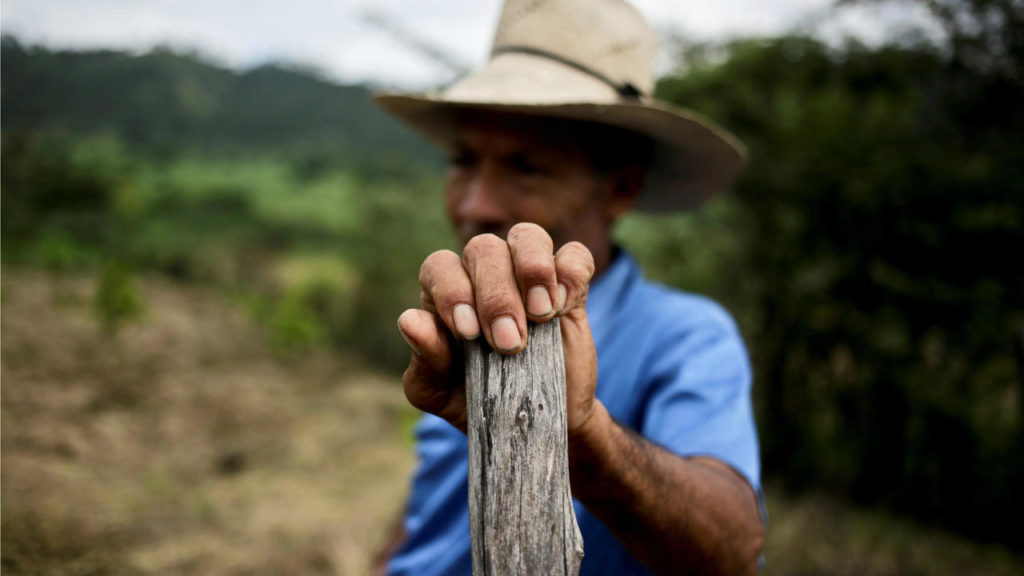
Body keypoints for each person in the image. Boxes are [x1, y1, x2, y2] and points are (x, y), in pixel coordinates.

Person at [372, 1, 765, 574]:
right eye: (463, 161)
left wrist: (582, 434)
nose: (475, 203)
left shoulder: (684, 337)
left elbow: (733, 548)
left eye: (526, 167)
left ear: (621, 188)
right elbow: (432, 508)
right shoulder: (467, 323)